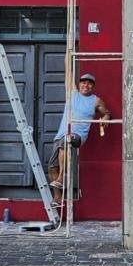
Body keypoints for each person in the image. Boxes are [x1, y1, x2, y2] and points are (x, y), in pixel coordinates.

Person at [47, 73, 110, 204]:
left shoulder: (96, 100)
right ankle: (57, 197)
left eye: (89, 83)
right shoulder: (72, 93)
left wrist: (105, 118)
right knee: (52, 166)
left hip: (78, 136)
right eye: (83, 82)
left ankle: (61, 178)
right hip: (61, 134)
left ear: (93, 86)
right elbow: (68, 70)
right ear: (79, 84)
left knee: (66, 141)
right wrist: (67, 53)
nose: (85, 85)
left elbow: (107, 112)